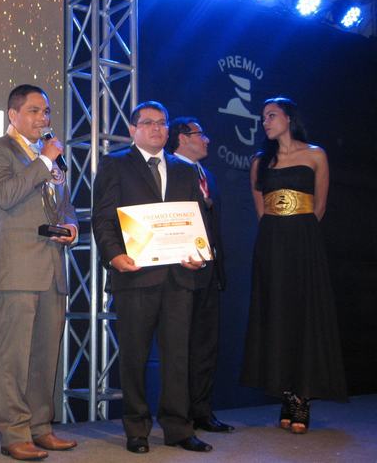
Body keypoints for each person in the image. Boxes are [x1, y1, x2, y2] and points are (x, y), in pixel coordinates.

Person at [92, 101, 212, 454]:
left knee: (178, 356)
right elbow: (103, 218)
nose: (157, 128)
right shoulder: (115, 164)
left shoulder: (185, 169)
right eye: (148, 123)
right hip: (134, 275)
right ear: (133, 130)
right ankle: (137, 428)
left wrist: (199, 254)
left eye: (162, 123)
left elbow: (197, 220)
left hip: (179, 276)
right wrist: (114, 255)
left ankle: (178, 427)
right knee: (134, 356)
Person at [0, 85, 79, 461]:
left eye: (47, 112)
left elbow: (63, 204)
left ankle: (41, 427)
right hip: (19, 268)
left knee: (44, 356)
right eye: (35, 111)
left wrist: (72, 226)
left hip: (53, 268)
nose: (44, 118)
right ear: (14, 114)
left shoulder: (50, 157)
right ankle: (14, 432)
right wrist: (44, 161)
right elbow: (5, 195)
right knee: (13, 357)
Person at [241, 97, 347, 433]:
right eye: (263, 117)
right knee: (277, 314)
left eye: (271, 115)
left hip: (304, 242)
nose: (266, 122)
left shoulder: (316, 155)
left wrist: (301, 237)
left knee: (305, 313)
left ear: (289, 118)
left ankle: (303, 397)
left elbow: (320, 206)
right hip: (272, 244)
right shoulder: (260, 161)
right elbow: (261, 210)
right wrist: (276, 238)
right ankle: (286, 392)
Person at [166, 117, 234, 433]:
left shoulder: (207, 175)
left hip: (209, 271)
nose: (206, 139)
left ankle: (202, 411)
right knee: (180, 347)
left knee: (206, 344)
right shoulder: (167, 169)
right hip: (180, 272)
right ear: (182, 138)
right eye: (200, 134)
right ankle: (179, 415)